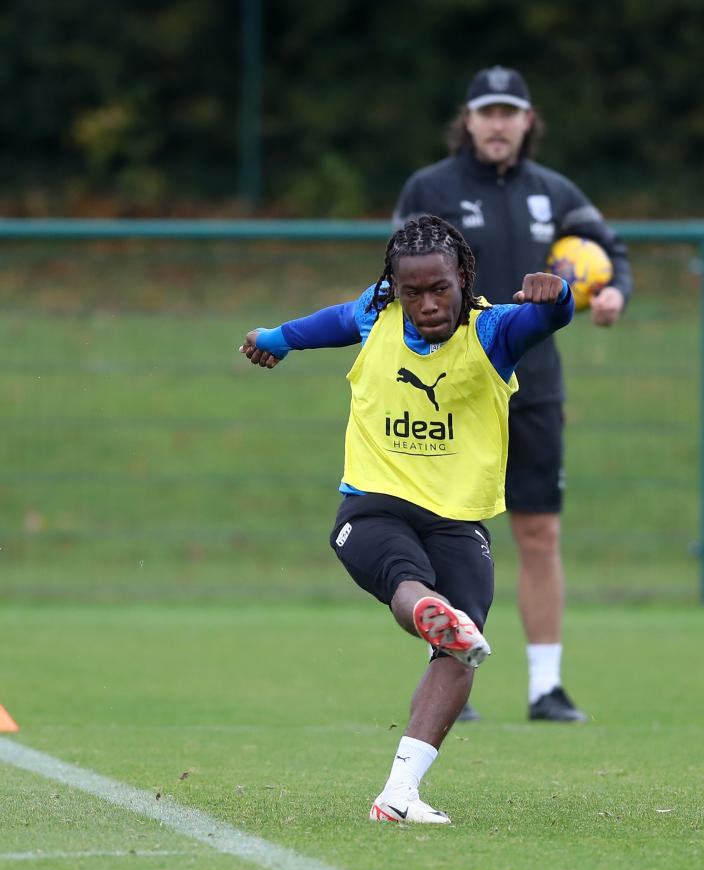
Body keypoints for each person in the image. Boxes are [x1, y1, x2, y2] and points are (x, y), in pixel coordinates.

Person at [239, 215, 573, 824]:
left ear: (463, 278)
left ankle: (399, 793)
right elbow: (335, 321)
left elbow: (548, 317)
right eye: (411, 291)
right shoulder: (377, 314)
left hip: (457, 521)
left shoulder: (494, 330)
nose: (426, 304)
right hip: (373, 507)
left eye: (439, 288)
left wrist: (560, 293)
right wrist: (277, 338)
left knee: (462, 647)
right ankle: (426, 611)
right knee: (407, 580)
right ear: (392, 288)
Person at [393, 65, 633, 723]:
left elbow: (613, 256)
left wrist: (613, 293)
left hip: (534, 386)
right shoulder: (430, 188)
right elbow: (396, 279)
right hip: (451, 389)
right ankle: (449, 671)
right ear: (467, 120)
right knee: (446, 527)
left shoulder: (554, 193)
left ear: (528, 122)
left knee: (538, 532)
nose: (498, 123)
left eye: (510, 112)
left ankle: (545, 688)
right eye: (487, 111)